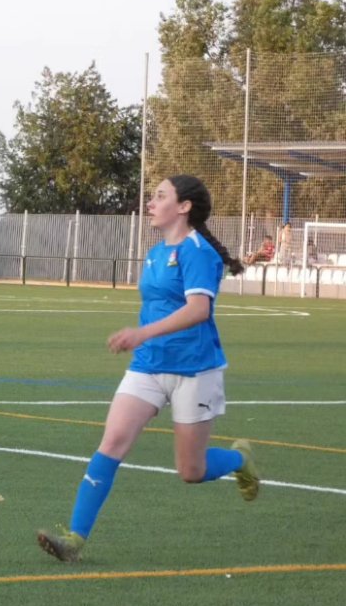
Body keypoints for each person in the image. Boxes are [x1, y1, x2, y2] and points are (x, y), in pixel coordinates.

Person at [37, 174, 259, 563]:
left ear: (184, 207)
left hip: (195, 370)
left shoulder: (198, 252)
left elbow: (198, 310)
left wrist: (140, 333)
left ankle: (240, 459)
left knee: (191, 471)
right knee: (112, 443)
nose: (150, 203)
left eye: (160, 196)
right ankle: (74, 539)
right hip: (148, 367)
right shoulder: (156, 253)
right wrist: (143, 341)